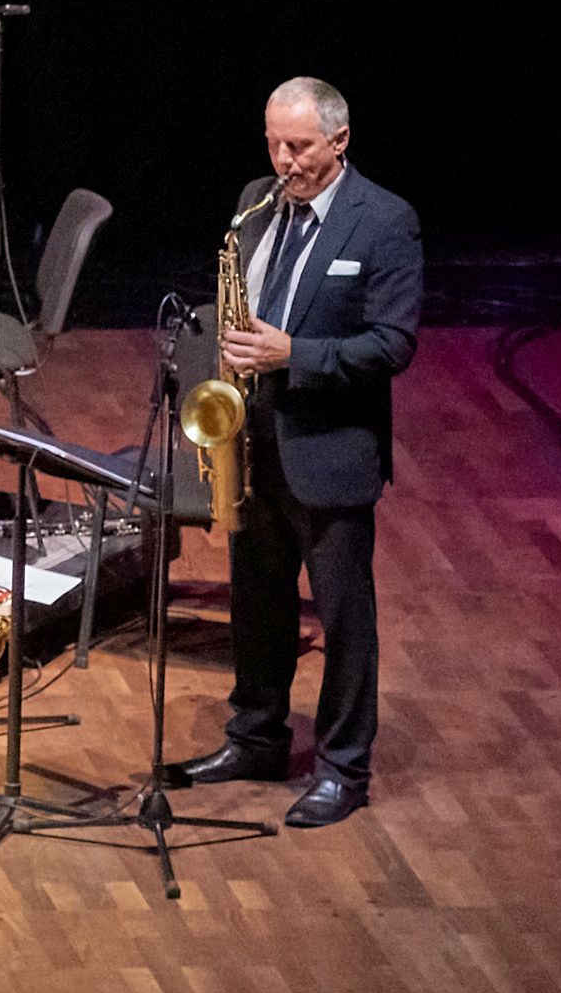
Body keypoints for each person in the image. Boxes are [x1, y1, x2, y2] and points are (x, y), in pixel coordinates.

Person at [168, 78, 420, 830]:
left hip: (330, 450)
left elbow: (394, 342)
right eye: (274, 142)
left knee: (344, 617)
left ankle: (345, 768)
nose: (284, 160)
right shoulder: (257, 199)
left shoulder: (384, 222)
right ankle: (256, 736)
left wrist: (294, 353)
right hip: (255, 438)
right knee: (258, 600)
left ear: (340, 141)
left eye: (300, 147)